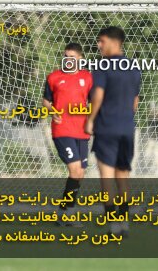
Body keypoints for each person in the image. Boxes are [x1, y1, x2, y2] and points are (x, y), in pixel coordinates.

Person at [85, 26, 141, 236]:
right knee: (123, 178)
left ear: (113, 42)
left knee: (106, 178)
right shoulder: (134, 67)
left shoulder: (102, 66)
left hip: (107, 128)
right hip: (127, 128)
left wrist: (90, 120)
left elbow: (97, 96)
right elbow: (135, 101)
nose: (99, 45)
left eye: (102, 41)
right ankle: (124, 222)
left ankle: (113, 225)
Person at [43, 43, 93, 226]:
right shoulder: (54, 77)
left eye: (71, 57)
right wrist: (52, 110)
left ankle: (63, 211)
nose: (67, 60)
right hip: (62, 129)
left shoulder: (87, 77)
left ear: (79, 59)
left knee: (81, 173)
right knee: (75, 170)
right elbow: (46, 101)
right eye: (65, 56)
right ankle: (67, 214)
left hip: (82, 131)